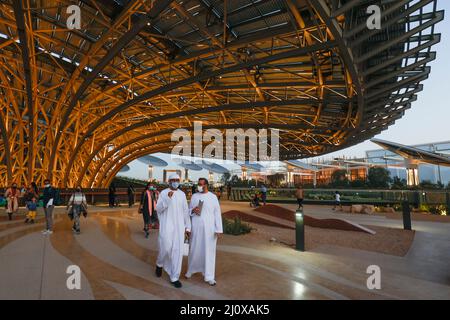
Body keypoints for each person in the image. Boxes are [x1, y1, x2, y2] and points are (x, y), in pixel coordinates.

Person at [155, 173, 191, 288]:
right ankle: (159, 264)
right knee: (165, 247)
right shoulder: (164, 193)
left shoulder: (182, 194)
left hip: (179, 227)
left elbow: (185, 211)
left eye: (177, 180)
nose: (176, 182)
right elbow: (158, 209)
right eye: (173, 180)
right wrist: (167, 199)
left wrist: (188, 227)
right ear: (169, 182)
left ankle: (174, 277)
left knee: (177, 251)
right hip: (166, 226)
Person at [186, 178, 223, 286]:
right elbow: (188, 212)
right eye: (198, 184)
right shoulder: (194, 196)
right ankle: (191, 270)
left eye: (202, 184)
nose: (200, 186)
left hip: (209, 230)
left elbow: (217, 213)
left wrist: (218, 229)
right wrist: (193, 211)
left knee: (209, 252)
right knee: (194, 249)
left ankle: (209, 276)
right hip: (196, 227)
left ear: (206, 185)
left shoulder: (213, 197)